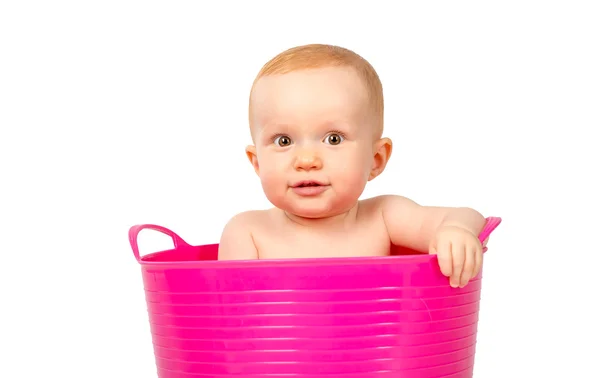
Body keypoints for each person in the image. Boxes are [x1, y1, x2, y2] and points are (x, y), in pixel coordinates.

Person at [218, 43, 489, 288]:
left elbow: (469, 217)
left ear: (376, 159)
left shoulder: (383, 217)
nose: (307, 161)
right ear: (257, 162)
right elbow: (229, 322)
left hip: (380, 344)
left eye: (333, 139)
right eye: (284, 140)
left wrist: (457, 231)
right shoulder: (248, 232)